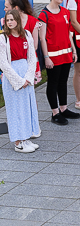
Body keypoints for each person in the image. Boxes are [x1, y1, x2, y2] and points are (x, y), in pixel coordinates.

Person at [37, 0, 80, 125]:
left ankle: (64, 108)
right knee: (53, 83)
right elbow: (42, 38)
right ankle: (55, 112)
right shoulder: (44, 15)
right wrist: (46, 57)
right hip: (53, 55)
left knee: (63, 82)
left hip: (66, 53)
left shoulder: (65, 12)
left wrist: (73, 50)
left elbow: (69, 35)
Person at [0, 9, 41, 153]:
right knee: (15, 109)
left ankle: (25, 137)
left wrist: (28, 78)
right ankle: (18, 142)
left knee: (26, 107)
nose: (10, 22)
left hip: (25, 73)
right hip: (12, 75)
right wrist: (18, 81)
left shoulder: (27, 35)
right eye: (7, 20)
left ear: (18, 20)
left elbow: (31, 57)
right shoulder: (3, 38)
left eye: (12, 19)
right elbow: (3, 63)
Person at [5, 0, 44, 85]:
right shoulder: (6, 21)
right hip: (13, 59)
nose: (5, 9)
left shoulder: (32, 21)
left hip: (28, 59)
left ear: (15, 8)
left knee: (29, 87)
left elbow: (34, 45)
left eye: (7, 7)